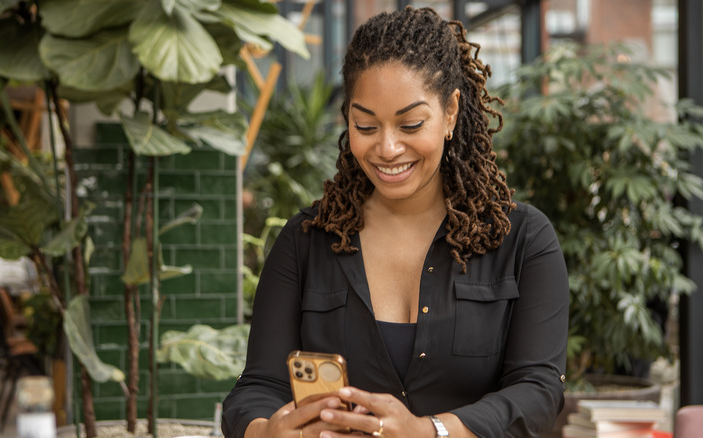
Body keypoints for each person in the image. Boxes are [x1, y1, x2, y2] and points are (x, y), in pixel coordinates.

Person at [222, 7, 569, 438]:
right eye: (365, 125)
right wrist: (268, 431)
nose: (387, 148)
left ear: (451, 113)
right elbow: (256, 387)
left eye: (410, 124)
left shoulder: (522, 241)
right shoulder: (305, 242)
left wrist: (431, 432)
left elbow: (537, 391)